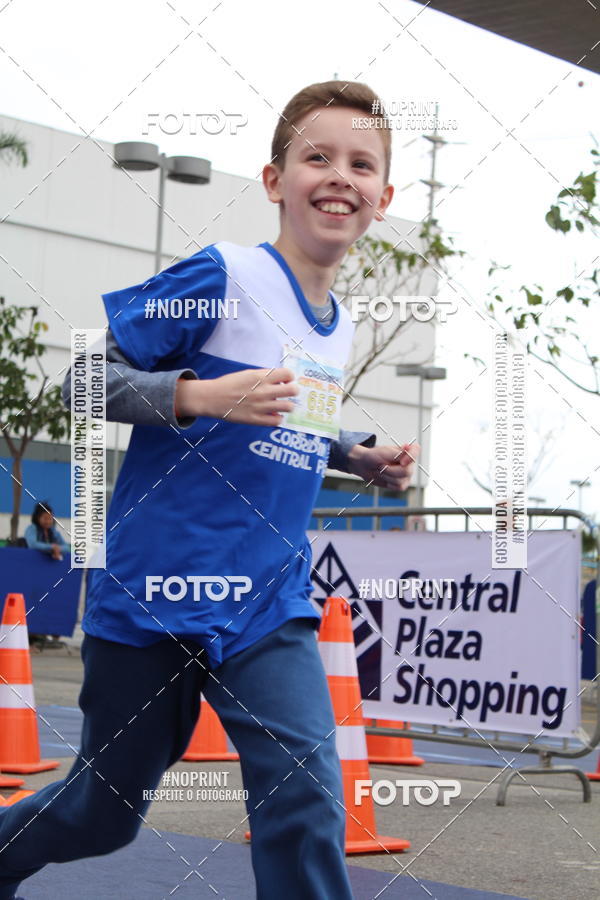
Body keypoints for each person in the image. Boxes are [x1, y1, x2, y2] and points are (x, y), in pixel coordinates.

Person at [0, 80, 419, 900]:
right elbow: (83, 384)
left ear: (382, 196)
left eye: (360, 164)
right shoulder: (223, 275)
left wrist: (357, 453)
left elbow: (291, 418)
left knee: (305, 793)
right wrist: (195, 395)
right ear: (275, 180)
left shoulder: (337, 323)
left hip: (268, 601)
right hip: (155, 594)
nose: (340, 175)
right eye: (317, 157)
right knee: (102, 812)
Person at [23, 502, 71, 649]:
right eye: (45, 518)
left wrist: (57, 548)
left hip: (50, 576)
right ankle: (32, 634)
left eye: (51, 518)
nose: (48, 521)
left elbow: (67, 547)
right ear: (37, 517)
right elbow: (33, 544)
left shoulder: (54, 533)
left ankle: (52, 634)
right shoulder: (31, 529)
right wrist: (52, 548)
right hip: (31, 574)